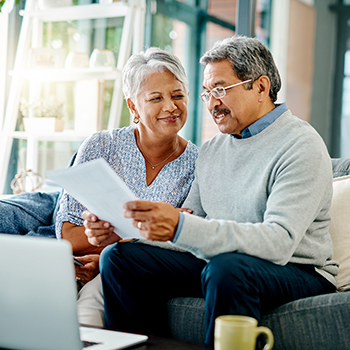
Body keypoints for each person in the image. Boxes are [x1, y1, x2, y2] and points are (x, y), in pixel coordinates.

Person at [87, 36, 339, 347]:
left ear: (260, 87)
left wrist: (181, 226)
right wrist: (131, 230)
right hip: (225, 262)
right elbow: (193, 221)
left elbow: (279, 243)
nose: (212, 103)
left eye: (220, 90)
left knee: (227, 269)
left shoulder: (300, 144)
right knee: (121, 258)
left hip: (297, 269)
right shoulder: (213, 149)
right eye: (207, 93)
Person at [55, 47, 199, 327]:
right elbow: (68, 236)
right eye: (156, 98)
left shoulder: (199, 163)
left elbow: (183, 241)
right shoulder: (100, 147)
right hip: (75, 266)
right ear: (133, 106)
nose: (171, 106)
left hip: (135, 272)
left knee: (88, 313)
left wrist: (111, 251)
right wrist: (115, 243)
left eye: (178, 95)